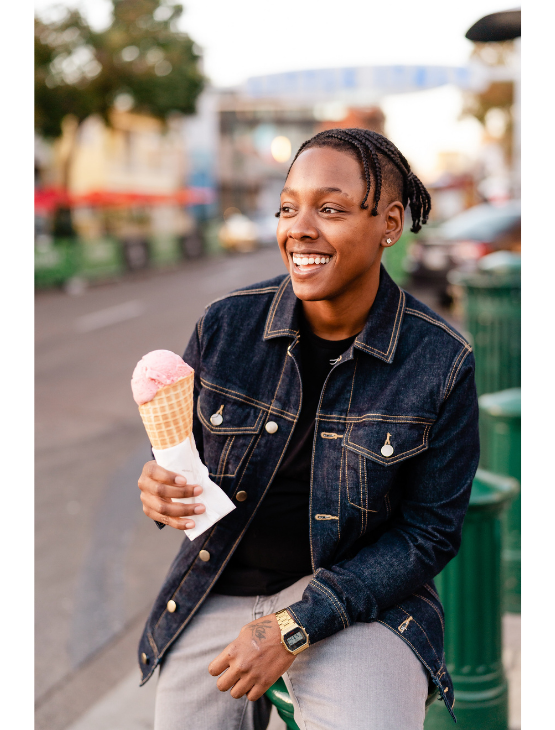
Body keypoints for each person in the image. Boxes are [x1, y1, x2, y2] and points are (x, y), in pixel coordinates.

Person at [137, 128, 480, 730]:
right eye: (289, 207)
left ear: (390, 224)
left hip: (359, 604)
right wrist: (161, 494)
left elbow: (429, 534)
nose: (300, 228)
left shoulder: (440, 360)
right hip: (221, 587)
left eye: (330, 209)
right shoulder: (225, 327)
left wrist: (295, 624)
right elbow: (181, 468)